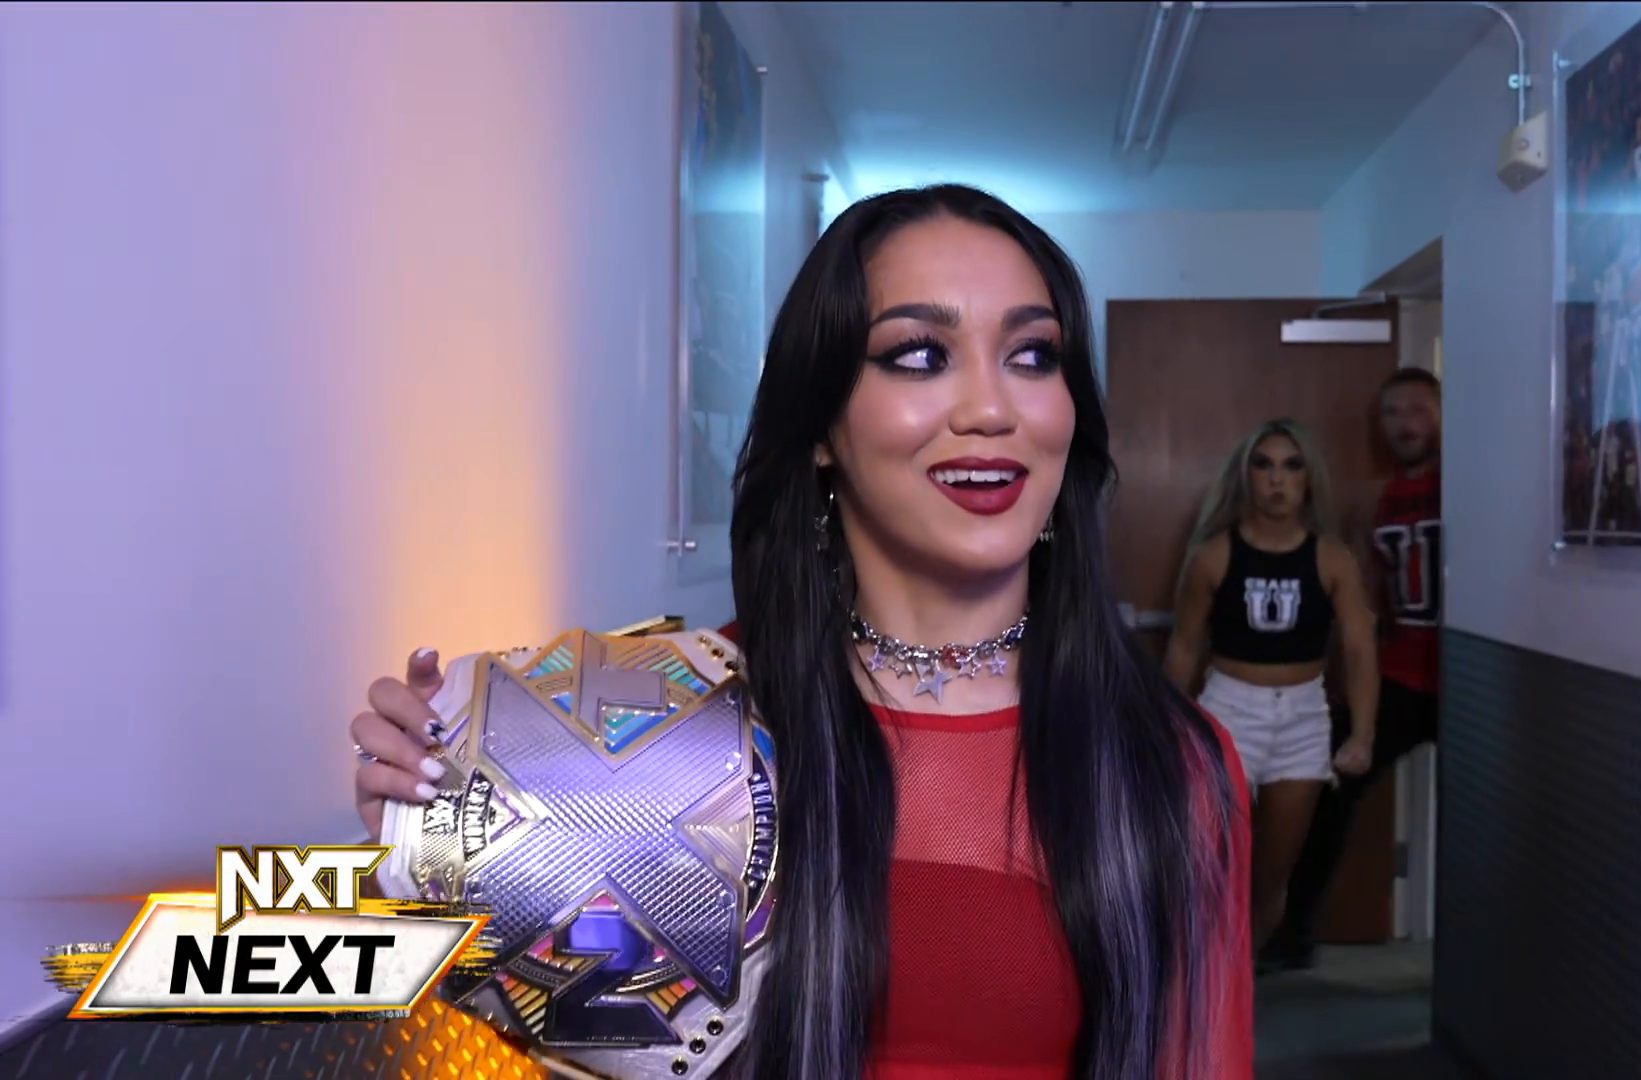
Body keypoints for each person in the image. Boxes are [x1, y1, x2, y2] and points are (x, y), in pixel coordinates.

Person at [347, 184, 1255, 1079]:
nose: (991, 408)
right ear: (821, 425)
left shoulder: (1172, 761)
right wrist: (430, 844)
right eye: (919, 354)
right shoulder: (677, 722)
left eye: (1032, 354)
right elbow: (543, 1027)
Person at [1163, 419, 1380, 957]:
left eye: (1291, 466)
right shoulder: (1214, 556)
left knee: (1272, 874)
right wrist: (1164, 726)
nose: (1277, 480)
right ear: (1246, 477)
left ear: (1308, 479)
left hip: (1303, 717)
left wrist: (1363, 736)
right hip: (1230, 708)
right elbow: (1184, 647)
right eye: (1263, 466)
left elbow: (1359, 650)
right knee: (1213, 861)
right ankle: (1204, 976)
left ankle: (1244, 978)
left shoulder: (1331, 558)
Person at [1267, 367, 1442, 971]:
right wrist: (1350, 680)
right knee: (1329, 786)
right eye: (1392, 413)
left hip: (1469, 678)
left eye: (1417, 410)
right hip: (1402, 676)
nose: (1405, 424)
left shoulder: (1464, 487)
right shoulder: (1377, 499)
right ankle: (1292, 932)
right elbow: (1363, 599)